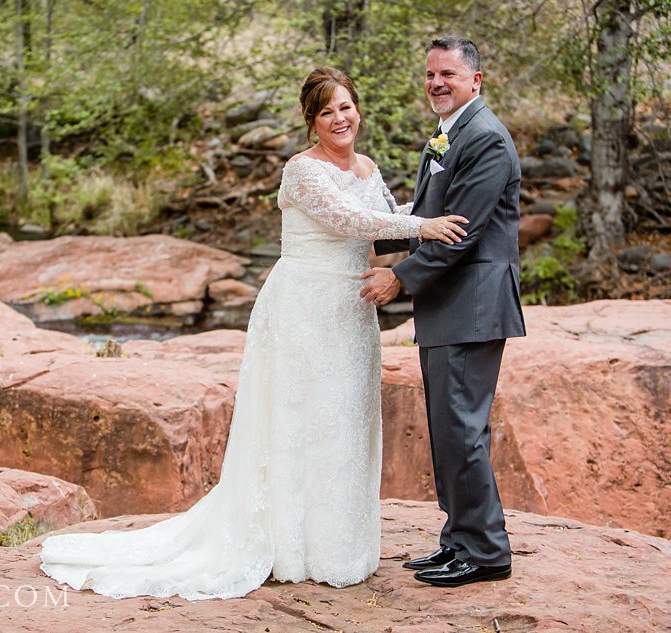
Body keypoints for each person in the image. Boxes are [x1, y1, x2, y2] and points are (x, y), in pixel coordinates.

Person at [36, 67, 469, 599]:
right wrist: (421, 225)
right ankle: (286, 545)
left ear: (359, 110)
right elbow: (350, 221)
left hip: (351, 312)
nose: (340, 119)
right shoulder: (302, 171)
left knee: (346, 422)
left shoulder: (367, 166)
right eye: (327, 111)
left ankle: (336, 547)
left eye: (346, 107)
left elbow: (383, 220)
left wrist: (435, 210)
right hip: (303, 309)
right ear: (312, 122)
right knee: (296, 420)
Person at [362, 36, 528, 588]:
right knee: (450, 428)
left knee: (462, 428)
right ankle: (458, 539)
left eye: (448, 74)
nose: (436, 82)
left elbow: (459, 233)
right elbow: (430, 215)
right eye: (430, 74)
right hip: (450, 306)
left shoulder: (486, 140)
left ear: (475, 81)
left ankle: (484, 551)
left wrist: (397, 277)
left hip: (473, 304)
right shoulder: (448, 134)